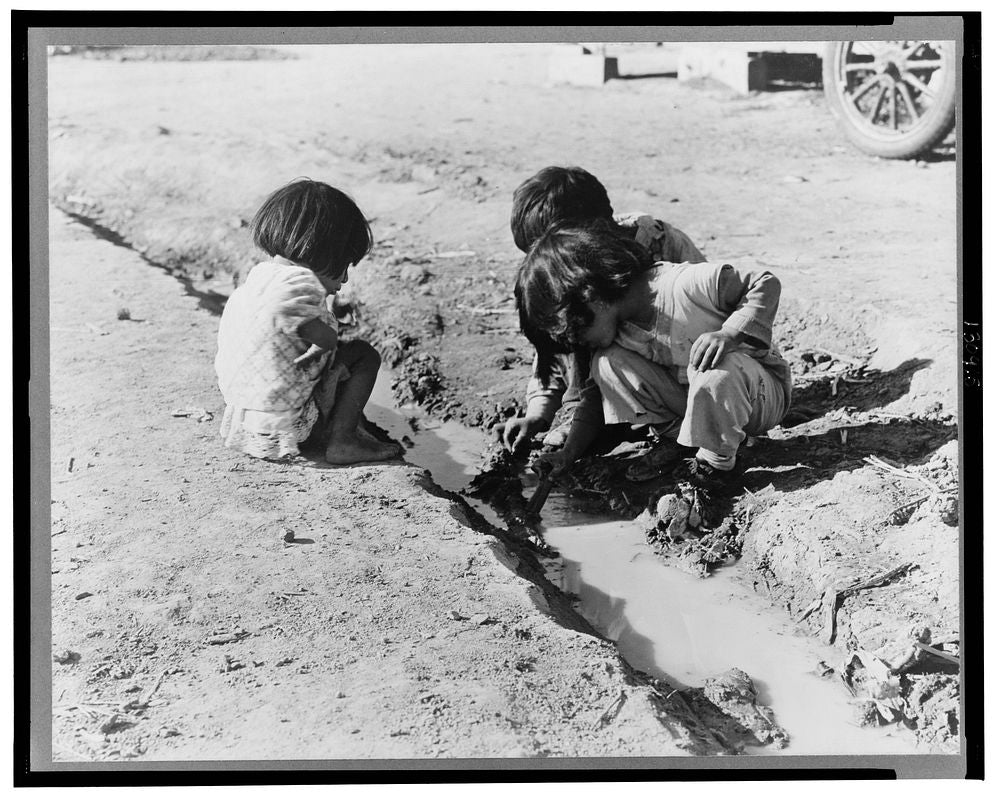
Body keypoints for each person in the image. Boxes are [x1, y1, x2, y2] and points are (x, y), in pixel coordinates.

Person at [514, 220, 792, 485]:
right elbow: (595, 396)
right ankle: (681, 442)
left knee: (719, 368)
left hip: (760, 395)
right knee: (607, 365)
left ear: (591, 298)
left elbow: (764, 283)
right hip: (698, 399)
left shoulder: (684, 285)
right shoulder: (618, 328)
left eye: (575, 335)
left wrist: (729, 335)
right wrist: (569, 453)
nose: (579, 346)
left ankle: (714, 468)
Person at [498, 165, 706, 452]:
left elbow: (714, 314)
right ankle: (592, 418)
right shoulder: (563, 277)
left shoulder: (663, 248)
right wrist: (538, 412)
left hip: (679, 384)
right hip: (607, 386)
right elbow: (554, 346)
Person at [215, 178, 400, 465]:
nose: (345, 280)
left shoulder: (257, 280)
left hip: (245, 420)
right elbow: (324, 344)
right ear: (325, 253)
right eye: (344, 267)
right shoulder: (300, 288)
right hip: (292, 426)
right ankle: (342, 440)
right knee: (362, 355)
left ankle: (346, 427)